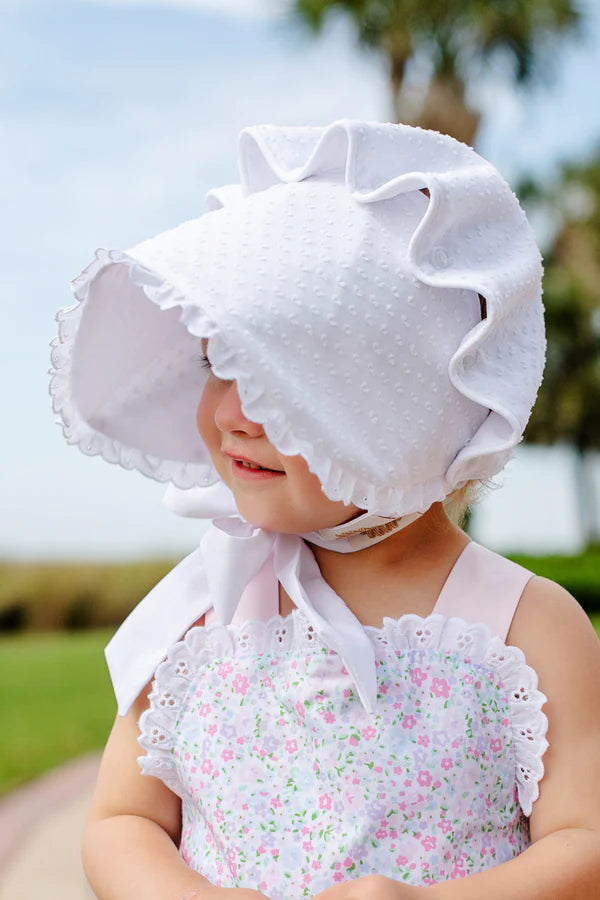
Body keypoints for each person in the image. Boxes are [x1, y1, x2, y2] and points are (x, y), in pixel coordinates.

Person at [50, 120, 600, 899]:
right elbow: (121, 819)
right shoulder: (204, 608)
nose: (231, 413)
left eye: (277, 387)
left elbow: (585, 844)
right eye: (216, 363)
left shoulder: (525, 628)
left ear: (398, 414)